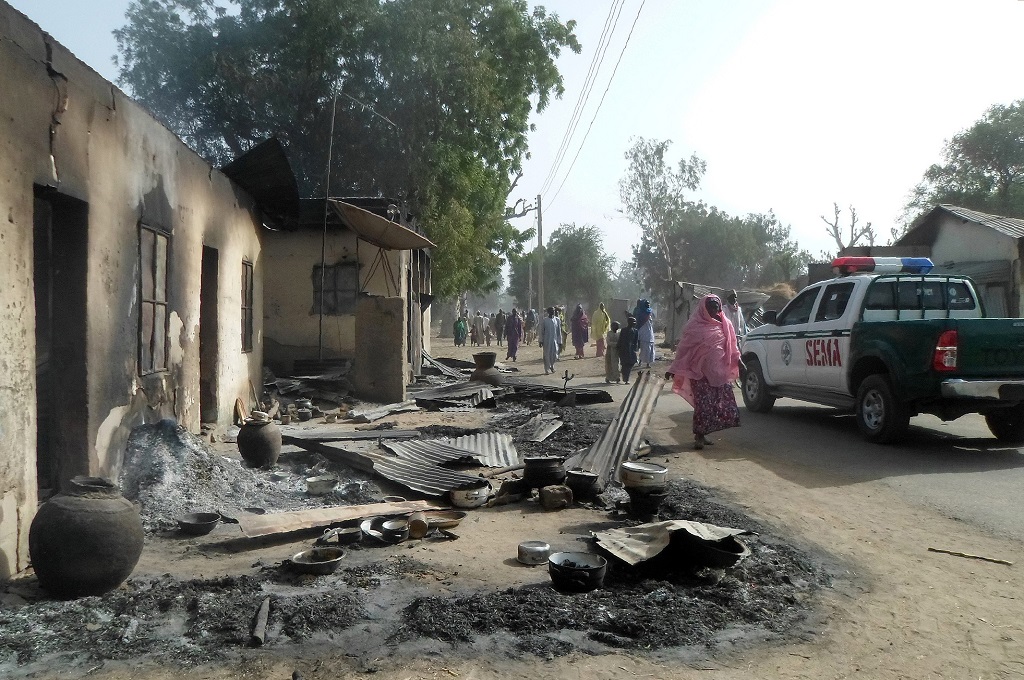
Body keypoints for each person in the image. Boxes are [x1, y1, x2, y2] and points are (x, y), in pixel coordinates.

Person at [667, 294, 741, 450]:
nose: (714, 309)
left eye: (716, 306)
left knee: (722, 406)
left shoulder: (725, 325)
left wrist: (739, 361)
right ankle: (699, 437)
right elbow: (683, 350)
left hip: (719, 374)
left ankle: (704, 433)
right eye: (711, 306)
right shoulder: (693, 327)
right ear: (703, 308)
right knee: (703, 406)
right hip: (699, 375)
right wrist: (674, 368)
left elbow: (732, 347)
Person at [633, 298, 656, 368]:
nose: (648, 305)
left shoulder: (649, 312)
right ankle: (640, 361)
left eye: (649, 304)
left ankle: (648, 363)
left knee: (650, 348)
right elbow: (638, 322)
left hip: (649, 332)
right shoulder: (640, 313)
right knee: (643, 348)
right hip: (643, 332)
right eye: (647, 304)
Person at [539, 306, 562, 374]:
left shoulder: (557, 320)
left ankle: (552, 365)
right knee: (546, 354)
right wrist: (541, 340)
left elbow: (559, 331)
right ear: (549, 312)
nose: (553, 312)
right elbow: (541, 331)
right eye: (552, 311)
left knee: (554, 354)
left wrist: (560, 341)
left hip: (554, 341)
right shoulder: (544, 320)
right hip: (546, 340)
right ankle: (547, 369)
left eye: (554, 311)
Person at [618, 315, 640, 384]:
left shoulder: (635, 331)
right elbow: (620, 340)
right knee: (625, 364)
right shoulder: (623, 330)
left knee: (631, 363)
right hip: (624, 350)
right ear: (629, 322)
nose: (634, 323)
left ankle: (626, 377)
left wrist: (636, 348)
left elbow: (636, 341)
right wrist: (619, 348)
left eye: (635, 322)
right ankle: (626, 378)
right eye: (633, 322)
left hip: (631, 350)